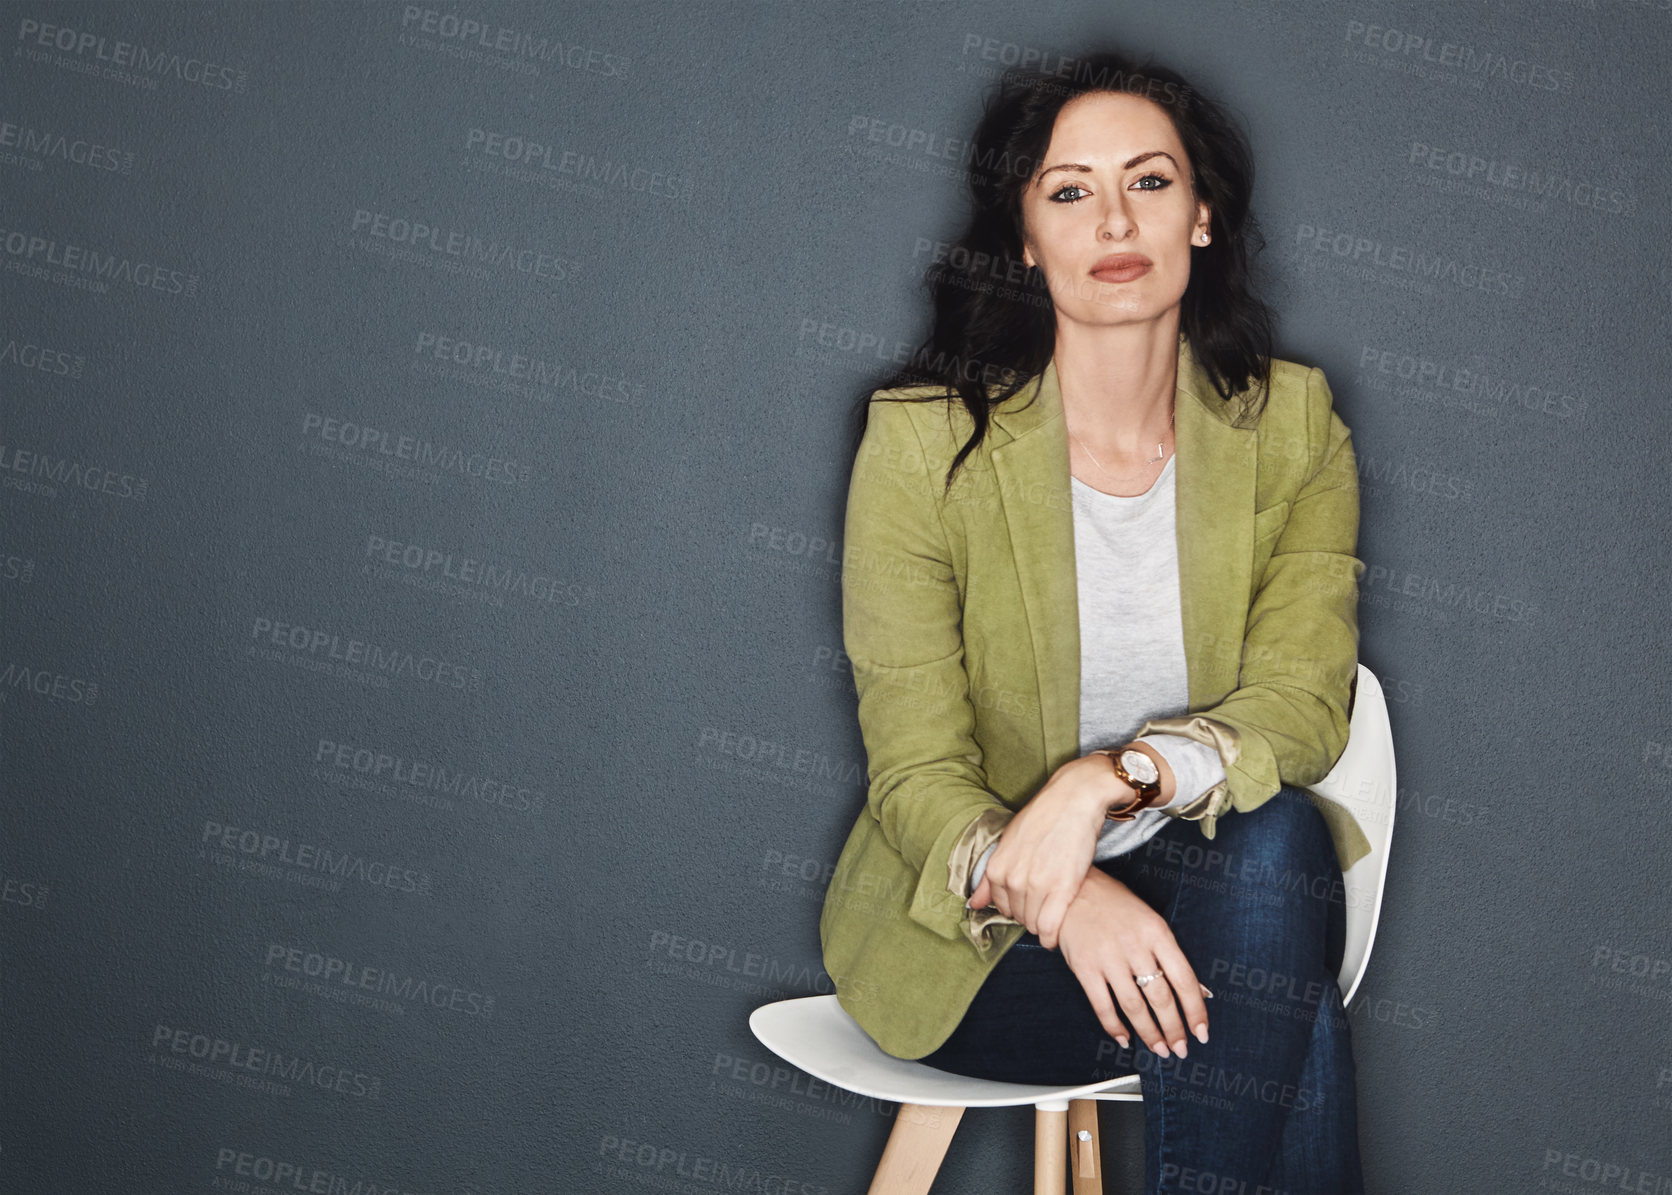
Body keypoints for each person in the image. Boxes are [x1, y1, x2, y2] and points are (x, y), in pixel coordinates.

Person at [818, 48, 1371, 1193]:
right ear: (1024, 237)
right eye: (1069, 190)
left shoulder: (1295, 428)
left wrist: (1104, 781)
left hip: (1225, 892)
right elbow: (915, 773)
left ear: (1203, 215)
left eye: (1151, 182)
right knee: (1282, 1000)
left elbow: (1302, 703)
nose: (1114, 218)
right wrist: (1069, 902)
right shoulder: (922, 446)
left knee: (1276, 848)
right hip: (982, 944)